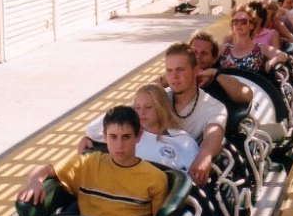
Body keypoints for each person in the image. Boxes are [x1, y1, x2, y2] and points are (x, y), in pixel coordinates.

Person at [17, 105, 177, 216]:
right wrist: (35, 181)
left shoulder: (154, 178)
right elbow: (47, 169)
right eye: (113, 137)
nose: (119, 145)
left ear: (139, 136)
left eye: (126, 137)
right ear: (104, 136)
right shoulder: (88, 163)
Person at [79, 83, 199, 172]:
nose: (142, 113)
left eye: (148, 107)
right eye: (137, 107)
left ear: (161, 107)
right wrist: (127, 109)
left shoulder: (181, 140)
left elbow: (191, 176)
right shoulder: (128, 135)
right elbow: (92, 130)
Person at [164, 42, 227, 186]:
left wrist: (204, 157)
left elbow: (213, 135)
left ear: (196, 70)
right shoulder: (157, 99)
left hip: (185, 176)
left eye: (180, 70)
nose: (174, 76)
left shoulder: (214, 107)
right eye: (169, 70)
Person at [189, 30, 253, 106]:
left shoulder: (221, 76)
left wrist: (215, 74)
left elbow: (247, 97)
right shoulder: (178, 73)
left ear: (215, 58)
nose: (198, 57)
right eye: (194, 52)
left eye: (204, 53)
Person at [219, 6, 288, 74]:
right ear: (232, 26)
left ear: (252, 25)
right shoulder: (223, 48)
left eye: (243, 21)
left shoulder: (260, 48)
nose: (239, 24)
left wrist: (272, 62)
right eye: (235, 22)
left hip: (251, 84)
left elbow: (283, 55)